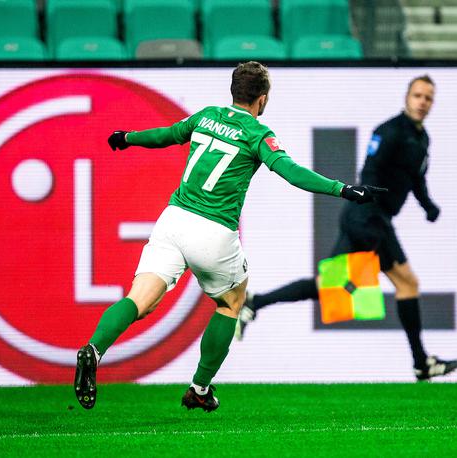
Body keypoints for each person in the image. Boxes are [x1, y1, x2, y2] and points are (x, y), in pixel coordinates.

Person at [73, 61, 386, 412]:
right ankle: (200, 388)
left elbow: (165, 136)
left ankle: (94, 349)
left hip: (173, 220)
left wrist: (127, 138)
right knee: (231, 302)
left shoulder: (205, 117)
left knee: (140, 299)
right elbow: (291, 173)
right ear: (262, 99)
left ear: (233, 91)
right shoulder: (257, 133)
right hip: (213, 231)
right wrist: (343, 189)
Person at [236, 75, 457, 381]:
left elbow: (415, 178)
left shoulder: (421, 139)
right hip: (369, 219)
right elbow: (369, 170)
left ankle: (255, 302)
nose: (423, 102)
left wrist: (428, 205)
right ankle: (421, 363)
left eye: (428, 98)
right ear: (407, 98)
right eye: (418, 96)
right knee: (407, 283)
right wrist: (370, 217)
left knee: (328, 286)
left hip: (369, 220)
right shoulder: (389, 131)